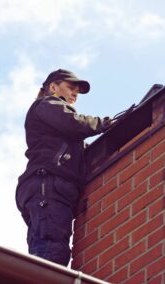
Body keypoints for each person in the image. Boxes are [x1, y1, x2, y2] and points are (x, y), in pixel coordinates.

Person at [15, 69, 113, 266]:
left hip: (44, 186)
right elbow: (74, 123)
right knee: (51, 251)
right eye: (70, 88)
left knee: (45, 248)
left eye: (77, 92)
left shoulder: (56, 123)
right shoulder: (47, 105)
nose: (74, 94)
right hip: (47, 183)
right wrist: (105, 123)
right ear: (53, 87)